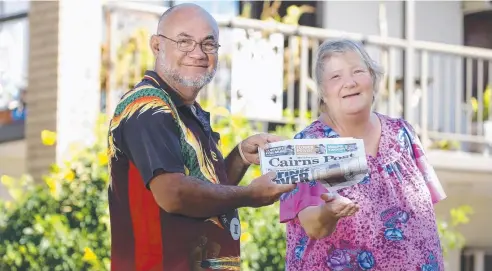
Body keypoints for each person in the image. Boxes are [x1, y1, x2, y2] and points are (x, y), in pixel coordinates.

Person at [107, 4, 295, 271]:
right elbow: (174, 194)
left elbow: (207, 191)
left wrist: (239, 156)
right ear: (157, 46)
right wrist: (250, 195)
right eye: (184, 42)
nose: (197, 53)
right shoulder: (148, 107)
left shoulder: (185, 110)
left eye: (209, 44)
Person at [279, 39, 447, 270]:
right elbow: (314, 227)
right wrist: (329, 212)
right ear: (323, 92)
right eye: (335, 77)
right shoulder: (308, 145)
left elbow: (424, 217)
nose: (349, 82)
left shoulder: (402, 133)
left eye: (358, 71)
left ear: (373, 78)